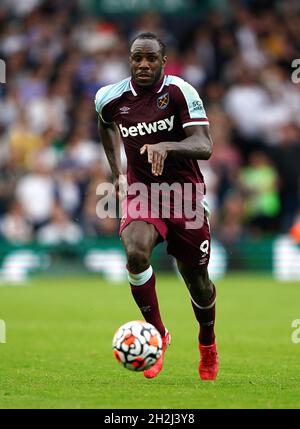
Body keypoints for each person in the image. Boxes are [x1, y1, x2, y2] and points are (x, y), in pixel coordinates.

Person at [95, 32, 218, 381]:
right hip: (142, 193)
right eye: (137, 58)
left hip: (185, 197)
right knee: (135, 253)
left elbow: (204, 144)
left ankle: (207, 343)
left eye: (151, 58)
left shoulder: (180, 91)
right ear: (129, 60)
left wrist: (167, 145)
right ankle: (158, 335)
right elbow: (105, 126)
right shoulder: (110, 98)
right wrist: (117, 172)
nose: (144, 64)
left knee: (199, 283)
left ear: (163, 61)